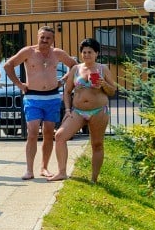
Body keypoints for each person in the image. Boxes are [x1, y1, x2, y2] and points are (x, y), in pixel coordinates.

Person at [3, 25, 78, 180]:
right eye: (42, 37)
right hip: (32, 97)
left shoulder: (57, 53)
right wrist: (19, 84)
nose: (44, 40)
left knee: (49, 133)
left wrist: (63, 80)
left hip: (52, 97)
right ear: (38, 36)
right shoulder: (28, 51)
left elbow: (74, 65)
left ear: (53, 40)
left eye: (48, 38)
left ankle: (44, 167)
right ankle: (29, 170)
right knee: (32, 132)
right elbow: (8, 65)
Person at [48, 38, 118, 183]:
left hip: (98, 111)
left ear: (97, 53)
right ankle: (62, 172)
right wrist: (67, 110)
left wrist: (103, 84)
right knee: (60, 136)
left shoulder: (103, 69)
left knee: (97, 144)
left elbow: (112, 91)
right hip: (78, 111)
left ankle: (94, 178)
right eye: (84, 52)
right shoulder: (76, 69)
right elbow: (67, 91)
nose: (86, 55)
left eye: (90, 52)